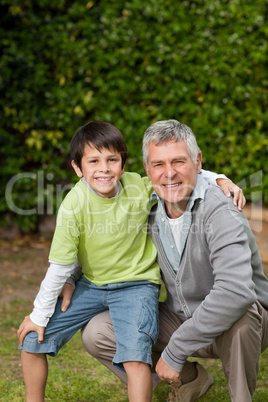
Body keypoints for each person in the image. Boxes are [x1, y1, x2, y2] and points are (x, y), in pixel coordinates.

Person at [78, 120, 268, 402]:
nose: (169, 173)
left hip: (242, 325)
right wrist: (67, 279)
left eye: (179, 161)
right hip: (179, 317)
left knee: (240, 312)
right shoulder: (146, 204)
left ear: (197, 161)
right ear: (146, 169)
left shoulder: (220, 208)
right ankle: (190, 380)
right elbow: (90, 220)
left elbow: (237, 291)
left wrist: (176, 348)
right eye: (158, 164)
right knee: (98, 332)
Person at [17, 121, 163, 402]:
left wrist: (218, 178)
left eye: (112, 159)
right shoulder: (74, 204)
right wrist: (38, 315)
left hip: (137, 284)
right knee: (32, 339)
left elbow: (177, 175)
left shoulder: (136, 186)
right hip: (93, 284)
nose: (104, 168)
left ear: (123, 163)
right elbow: (59, 267)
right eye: (93, 161)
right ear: (78, 168)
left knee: (134, 355)